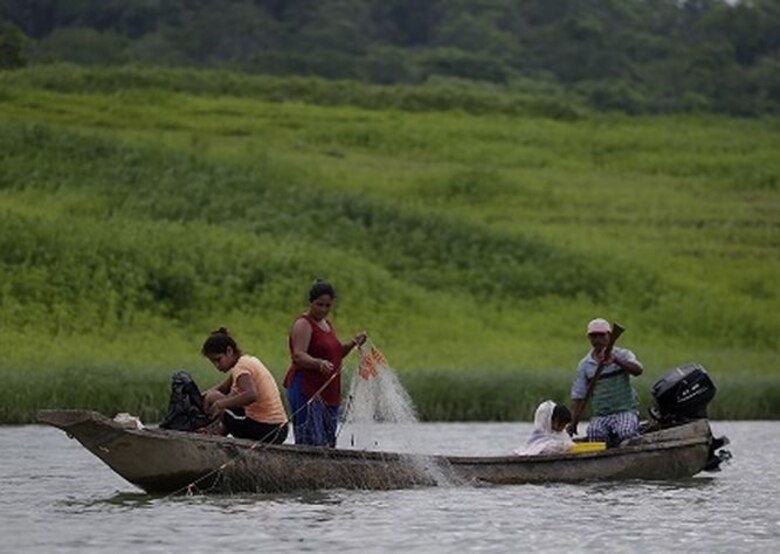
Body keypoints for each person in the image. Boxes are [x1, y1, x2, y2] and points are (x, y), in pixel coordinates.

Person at [283, 279, 367, 447]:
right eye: (319, 304)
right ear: (311, 302)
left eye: (327, 306)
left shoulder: (327, 324)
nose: (323, 309)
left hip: (328, 393)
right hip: (307, 390)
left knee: (327, 443)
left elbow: (336, 354)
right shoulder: (303, 324)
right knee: (311, 441)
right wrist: (317, 363)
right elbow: (298, 356)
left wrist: (352, 344)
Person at [200, 327, 289, 444]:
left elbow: (251, 395)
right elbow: (223, 388)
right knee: (213, 397)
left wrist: (219, 404)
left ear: (229, 351)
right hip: (280, 429)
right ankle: (214, 433)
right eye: (213, 362)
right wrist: (199, 397)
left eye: (218, 360)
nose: (217, 366)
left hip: (268, 430)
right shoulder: (245, 362)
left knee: (214, 399)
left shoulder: (241, 367)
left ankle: (212, 434)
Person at [569, 318, 643, 445]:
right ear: (589, 338)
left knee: (625, 432)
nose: (597, 339)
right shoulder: (585, 365)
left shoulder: (623, 354)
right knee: (594, 434)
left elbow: (638, 370)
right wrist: (573, 423)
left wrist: (616, 360)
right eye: (593, 336)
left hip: (625, 411)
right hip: (601, 415)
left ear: (608, 336)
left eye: (601, 335)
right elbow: (578, 396)